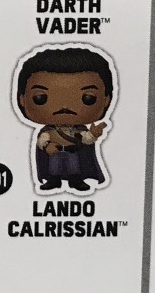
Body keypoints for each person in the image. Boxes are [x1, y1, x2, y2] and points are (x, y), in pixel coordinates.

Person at [14, 46, 115, 194]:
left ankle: (76, 180)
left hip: (72, 150)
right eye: (40, 98)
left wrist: (93, 134)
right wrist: (46, 146)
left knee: (74, 168)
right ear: (22, 100)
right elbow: (42, 140)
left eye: (88, 98)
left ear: (106, 100)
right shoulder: (48, 131)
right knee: (54, 168)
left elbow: (86, 139)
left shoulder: (79, 130)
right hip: (55, 152)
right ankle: (53, 181)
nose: (64, 106)